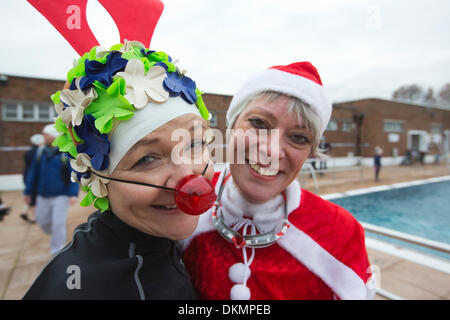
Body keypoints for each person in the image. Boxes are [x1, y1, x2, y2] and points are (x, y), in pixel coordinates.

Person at [23, 40, 215, 300]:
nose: (188, 177)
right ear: (97, 178)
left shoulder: (157, 235)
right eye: (146, 159)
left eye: (193, 144)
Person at [182, 62, 376, 300]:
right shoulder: (183, 202)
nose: (271, 152)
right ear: (231, 126)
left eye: (298, 137)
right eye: (259, 124)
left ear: (310, 152)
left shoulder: (341, 234)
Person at [20, 133, 45, 223]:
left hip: (26, 175)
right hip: (35, 177)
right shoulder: (39, 153)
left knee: (30, 195)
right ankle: (34, 216)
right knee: (36, 197)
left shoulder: (28, 152)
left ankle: (25, 211)